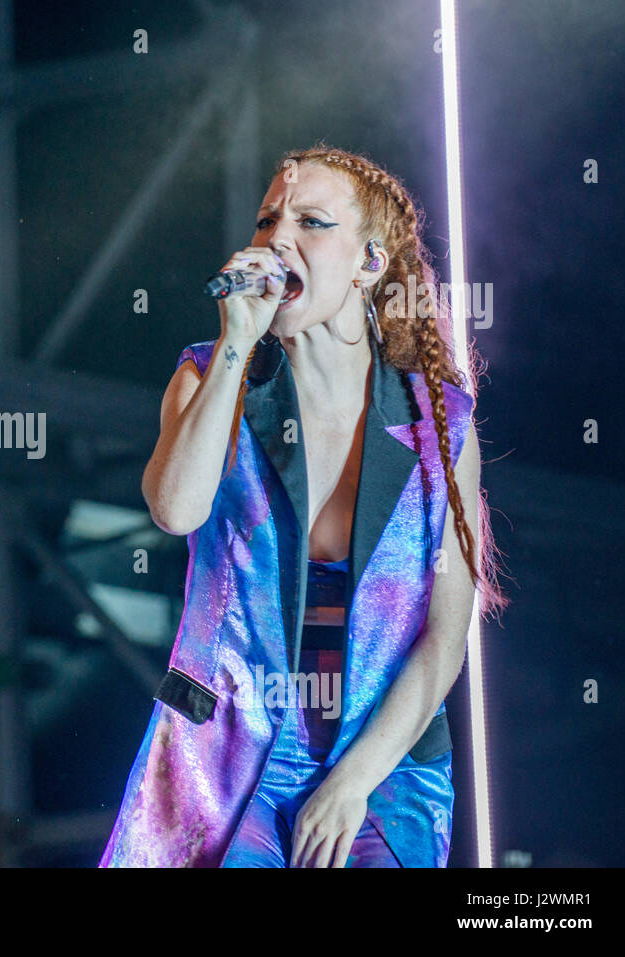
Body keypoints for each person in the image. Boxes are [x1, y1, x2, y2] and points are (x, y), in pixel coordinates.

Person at [101, 144, 507, 868]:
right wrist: (237, 339)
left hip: (382, 760)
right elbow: (174, 509)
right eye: (266, 221)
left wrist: (352, 781)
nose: (277, 239)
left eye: (312, 222)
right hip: (227, 755)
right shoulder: (208, 377)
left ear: (369, 263)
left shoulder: (439, 422)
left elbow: (444, 640)